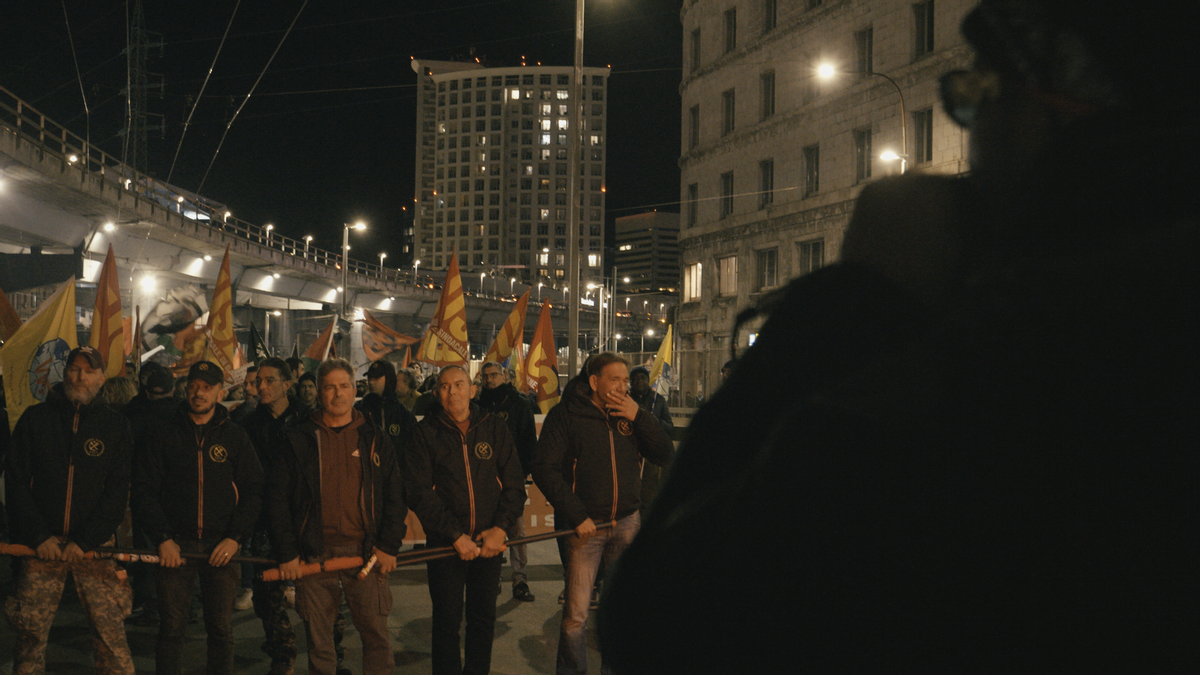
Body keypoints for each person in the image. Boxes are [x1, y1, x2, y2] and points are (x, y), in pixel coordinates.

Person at [597, 2, 1200, 673]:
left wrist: (857, 296)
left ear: (1049, 107)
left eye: (973, 96)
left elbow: (663, 615)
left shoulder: (1019, 355)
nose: (968, 137)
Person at [532, 353, 673, 675]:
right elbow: (543, 468)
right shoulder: (565, 416)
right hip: (585, 529)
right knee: (576, 616)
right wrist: (576, 514)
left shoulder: (630, 415)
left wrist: (640, 417)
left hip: (627, 523)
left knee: (622, 612)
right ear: (594, 382)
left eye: (626, 380)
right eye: (615, 380)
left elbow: (664, 453)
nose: (623, 386)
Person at [268, 358, 407, 675]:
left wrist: (388, 545)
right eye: (329, 387)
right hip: (313, 555)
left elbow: (395, 497)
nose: (337, 394)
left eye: (344, 386)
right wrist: (288, 552)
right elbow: (278, 500)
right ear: (318, 393)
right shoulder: (298, 438)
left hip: (366, 553)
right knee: (320, 645)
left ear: (355, 389)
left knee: (377, 639)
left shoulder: (374, 438)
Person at [4, 346, 135, 675]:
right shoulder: (36, 419)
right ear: (65, 373)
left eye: (88, 371)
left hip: (93, 549)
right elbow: (17, 482)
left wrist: (86, 540)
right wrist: (39, 535)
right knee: (30, 637)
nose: (80, 376)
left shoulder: (116, 427)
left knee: (111, 638)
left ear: (101, 378)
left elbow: (118, 493)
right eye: (74, 369)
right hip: (40, 547)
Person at [131, 360, 263, 675]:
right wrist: (162, 538)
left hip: (222, 547)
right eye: (192, 386)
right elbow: (143, 490)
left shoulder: (235, 437)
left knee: (220, 629)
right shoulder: (163, 434)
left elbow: (254, 490)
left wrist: (235, 538)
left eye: (206, 387)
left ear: (220, 392)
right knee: (171, 629)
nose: (198, 393)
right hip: (176, 546)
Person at [406, 365, 526, 675]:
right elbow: (419, 492)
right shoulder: (424, 433)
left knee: (483, 619)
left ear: (472, 390)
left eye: (459, 384)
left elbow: (514, 484)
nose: (452, 392)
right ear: (436, 394)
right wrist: (454, 535)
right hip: (447, 547)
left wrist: (500, 529)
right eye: (444, 387)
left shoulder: (494, 429)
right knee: (446, 621)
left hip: (489, 544)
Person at [238, 357, 303, 674]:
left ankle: (332, 653)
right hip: (265, 522)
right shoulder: (249, 426)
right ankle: (282, 653)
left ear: (287, 385)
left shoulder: (308, 422)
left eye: (268, 380)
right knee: (267, 597)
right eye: (257, 381)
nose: (260, 386)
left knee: (319, 594)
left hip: (305, 521)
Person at [475, 360, 539, 602]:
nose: (489, 380)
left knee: (516, 530)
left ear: (504, 377)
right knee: (488, 530)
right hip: (483, 482)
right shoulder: (478, 406)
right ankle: (492, 580)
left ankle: (520, 580)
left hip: (511, 479)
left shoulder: (519, 405)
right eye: (485, 376)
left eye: (494, 375)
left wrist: (520, 475)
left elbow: (528, 443)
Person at [627, 366, 674, 515]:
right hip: (631, 452)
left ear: (648, 381)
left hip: (651, 455)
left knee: (648, 492)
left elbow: (669, 426)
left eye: (643, 378)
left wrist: (654, 422)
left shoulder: (657, 400)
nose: (639, 381)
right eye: (635, 378)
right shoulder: (626, 398)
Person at [356, 360, 417, 465]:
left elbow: (413, 450)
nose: (371, 382)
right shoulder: (360, 409)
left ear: (389, 379)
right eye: (370, 378)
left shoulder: (403, 414)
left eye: (376, 378)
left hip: (396, 475)